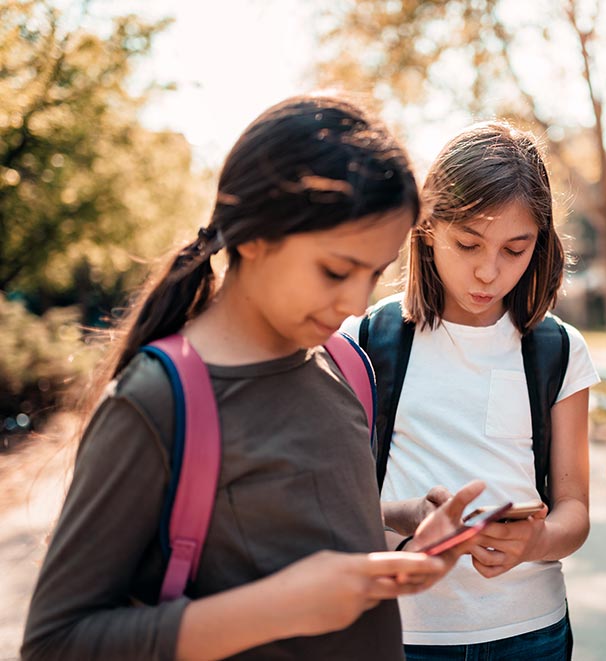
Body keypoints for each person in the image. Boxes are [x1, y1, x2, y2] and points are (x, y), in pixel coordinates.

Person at [21, 94, 486, 661]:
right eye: (336, 270)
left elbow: (283, 522)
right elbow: (55, 642)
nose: (356, 300)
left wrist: (399, 532)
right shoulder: (157, 401)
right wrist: (280, 606)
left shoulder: (341, 363)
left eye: (375, 273)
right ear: (253, 236)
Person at [344, 121, 599, 660]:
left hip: (531, 632)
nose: (488, 271)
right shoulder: (365, 340)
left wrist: (537, 541)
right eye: (467, 243)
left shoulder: (558, 349)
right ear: (428, 227)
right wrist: (406, 516)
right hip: (401, 633)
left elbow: (574, 510)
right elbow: (331, 500)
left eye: (515, 248)